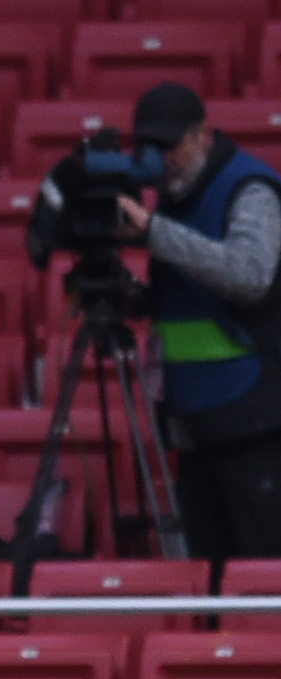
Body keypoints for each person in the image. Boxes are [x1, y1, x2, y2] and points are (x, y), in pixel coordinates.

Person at [114, 82, 281, 570]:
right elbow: (191, 300)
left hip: (256, 425)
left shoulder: (249, 188)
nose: (161, 159)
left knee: (261, 577)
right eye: (150, 147)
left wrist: (153, 233)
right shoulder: (171, 199)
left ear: (203, 135)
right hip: (195, 427)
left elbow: (250, 276)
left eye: (170, 145)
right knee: (205, 579)